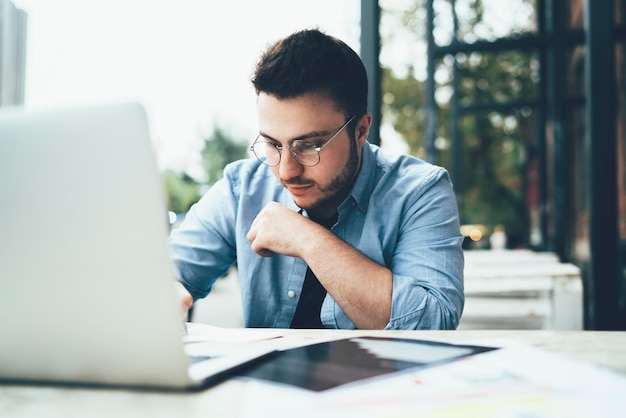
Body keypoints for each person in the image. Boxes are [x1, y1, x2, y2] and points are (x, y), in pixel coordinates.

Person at [169, 28, 464, 330]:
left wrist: (306, 238)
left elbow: (434, 324)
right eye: (273, 144)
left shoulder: (421, 191)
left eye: (309, 145)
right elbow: (166, 277)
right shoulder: (242, 187)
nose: (286, 171)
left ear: (360, 130)